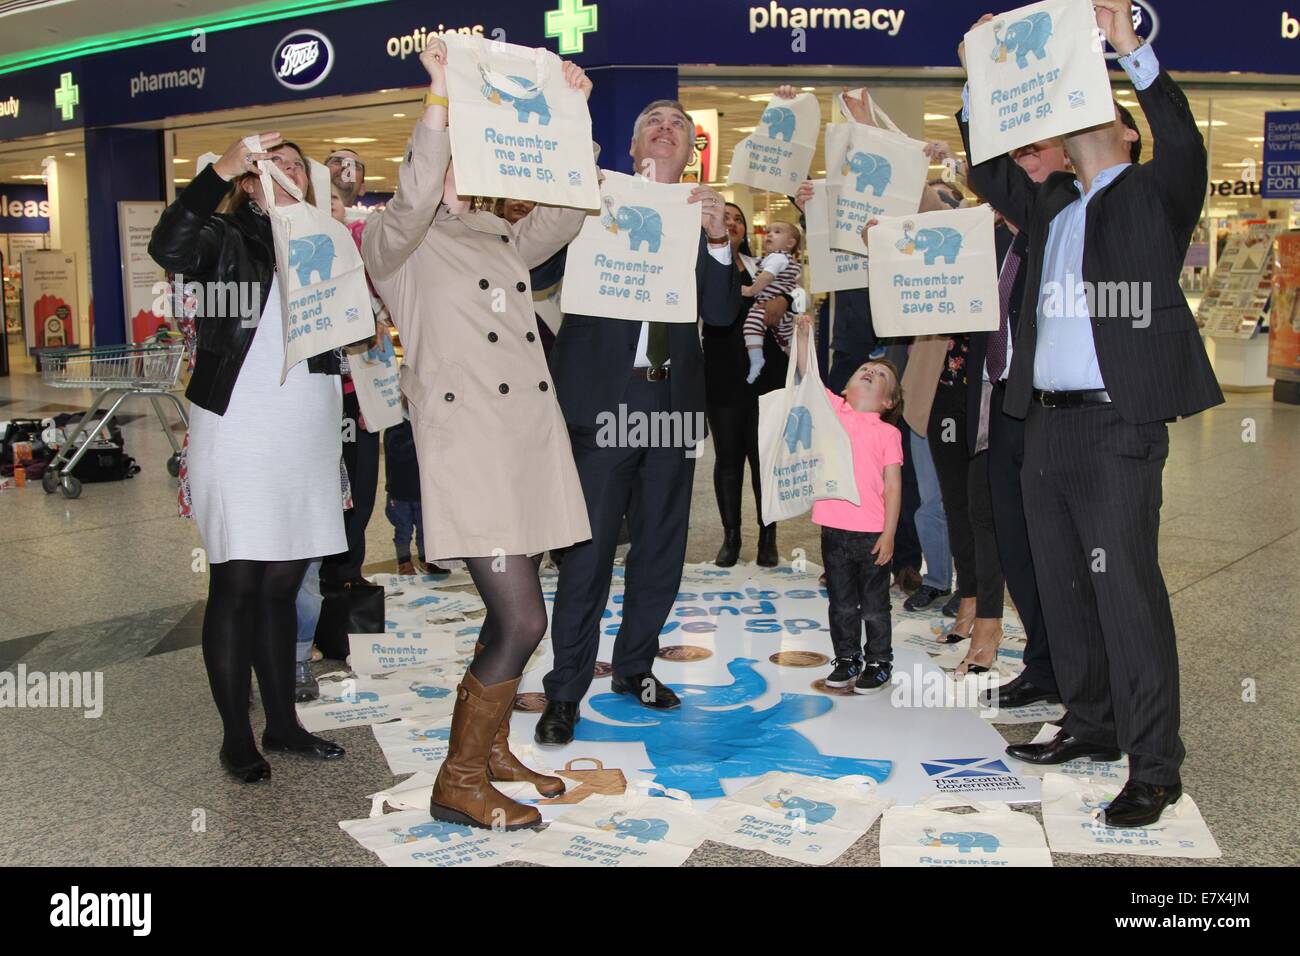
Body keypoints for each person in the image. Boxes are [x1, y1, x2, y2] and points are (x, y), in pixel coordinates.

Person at [957, 2, 1223, 827]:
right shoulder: (1053, 208)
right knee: (1065, 588)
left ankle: (1155, 764)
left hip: (1117, 428)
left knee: (1127, 594)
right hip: (1048, 425)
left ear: (1126, 130)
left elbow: (1187, 144)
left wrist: (1130, 53)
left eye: (1100, 105)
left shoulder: (1153, 194)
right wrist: (983, 70)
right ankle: (1091, 721)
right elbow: (989, 171)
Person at [361, 39, 594, 830]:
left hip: (525, 444)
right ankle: (458, 780)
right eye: (454, 156)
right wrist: (437, 103)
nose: (464, 167)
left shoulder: (499, 239)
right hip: (469, 450)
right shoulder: (396, 246)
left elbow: (566, 209)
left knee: (511, 615)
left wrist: (571, 111)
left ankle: (490, 751)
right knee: (525, 619)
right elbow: (414, 192)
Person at [535, 99, 741, 745]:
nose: (665, 126)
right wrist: (573, 199)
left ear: (691, 153)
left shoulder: (699, 220)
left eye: (678, 124)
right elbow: (536, 270)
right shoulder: (595, 205)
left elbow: (723, 312)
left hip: (672, 408)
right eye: (652, 119)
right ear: (632, 148)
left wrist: (715, 240)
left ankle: (635, 668)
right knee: (587, 554)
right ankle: (565, 688)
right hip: (602, 404)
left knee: (660, 550)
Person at [149, 134, 348, 783]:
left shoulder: (325, 242)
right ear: (251, 180)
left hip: (307, 426)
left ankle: (283, 722)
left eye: (297, 165)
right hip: (238, 423)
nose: (286, 170)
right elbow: (170, 245)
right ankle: (237, 734)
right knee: (238, 582)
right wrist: (221, 170)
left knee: (283, 584)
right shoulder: (226, 235)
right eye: (272, 164)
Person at [958, 138, 1072, 710]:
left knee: (1052, 544)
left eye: (1032, 155)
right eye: (1017, 157)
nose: (1020, 167)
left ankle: (1075, 671)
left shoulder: (1066, 222)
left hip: (1049, 409)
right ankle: (1043, 665)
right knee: (1012, 538)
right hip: (1001, 401)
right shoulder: (1005, 238)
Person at [793, 315, 903, 693]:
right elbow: (808, 377)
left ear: (888, 402)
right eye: (864, 369)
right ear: (845, 388)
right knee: (841, 602)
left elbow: (893, 485)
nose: (871, 372)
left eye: (880, 375)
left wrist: (890, 532)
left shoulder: (888, 434)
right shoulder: (833, 412)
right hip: (833, 529)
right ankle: (846, 658)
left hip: (872, 532)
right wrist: (804, 336)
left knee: (874, 604)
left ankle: (878, 661)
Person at [702, 201, 788, 568]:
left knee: (764, 458)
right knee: (729, 457)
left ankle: (768, 537)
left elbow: (794, 300)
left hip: (767, 374)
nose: (733, 223)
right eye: (728, 218)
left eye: (738, 219)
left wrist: (785, 301)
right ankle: (731, 537)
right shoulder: (702, 265)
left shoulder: (762, 268)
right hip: (721, 371)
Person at [322, 146, 381, 591]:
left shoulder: (366, 238)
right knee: (324, 490)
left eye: (353, 167)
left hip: (365, 388)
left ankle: (349, 575)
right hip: (318, 392)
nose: (345, 172)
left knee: (361, 488)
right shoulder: (296, 244)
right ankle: (322, 579)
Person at [742, 220, 802, 383]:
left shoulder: (777, 258)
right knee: (787, 342)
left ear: (790, 243)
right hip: (783, 319)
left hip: (766, 311)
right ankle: (799, 375)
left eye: (777, 232)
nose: (769, 234)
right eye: (769, 231)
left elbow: (767, 277)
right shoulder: (768, 259)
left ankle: (756, 360)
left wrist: (750, 290)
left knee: (751, 325)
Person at [383, 411, 427, 575]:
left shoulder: (425, 419)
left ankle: (426, 557)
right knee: (403, 529)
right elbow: (398, 451)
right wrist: (421, 439)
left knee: (425, 529)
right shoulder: (395, 425)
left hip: (422, 492)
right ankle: (404, 561)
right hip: (399, 493)